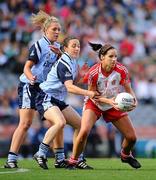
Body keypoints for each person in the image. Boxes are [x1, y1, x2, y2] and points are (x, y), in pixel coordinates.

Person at [68, 42, 141, 169]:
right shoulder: (93, 72)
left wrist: (134, 100)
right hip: (95, 103)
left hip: (113, 104)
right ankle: (73, 161)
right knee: (84, 131)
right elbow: (92, 95)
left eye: (115, 56)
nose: (114, 59)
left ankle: (125, 155)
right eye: (111, 56)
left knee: (132, 137)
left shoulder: (122, 70)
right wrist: (109, 101)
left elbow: (129, 89)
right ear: (102, 57)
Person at [4, 10, 62, 168]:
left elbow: (65, 64)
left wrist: (61, 54)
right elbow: (26, 67)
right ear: (45, 30)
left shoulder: (57, 47)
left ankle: (59, 157)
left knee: (56, 120)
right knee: (25, 123)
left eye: (59, 29)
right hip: (29, 85)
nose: (57, 32)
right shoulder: (39, 45)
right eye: (54, 29)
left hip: (44, 88)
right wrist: (31, 77)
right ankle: (11, 159)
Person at [33, 36, 98, 169]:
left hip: (57, 99)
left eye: (78, 46)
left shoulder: (73, 61)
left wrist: (83, 75)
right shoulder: (64, 62)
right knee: (60, 122)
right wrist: (89, 93)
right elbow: (70, 87)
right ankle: (40, 152)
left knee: (81, 126)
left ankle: (77, 159)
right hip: (46, 96)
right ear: (65, 48)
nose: (77, 48)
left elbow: (74, 81)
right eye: (73, 45)